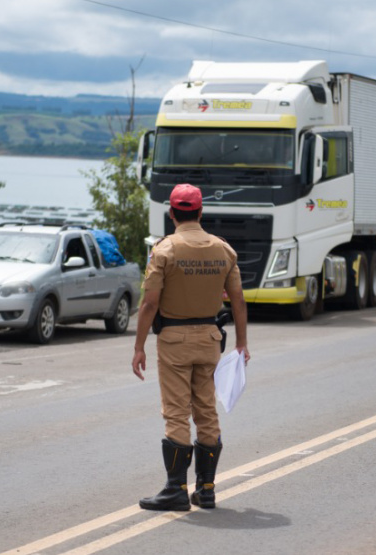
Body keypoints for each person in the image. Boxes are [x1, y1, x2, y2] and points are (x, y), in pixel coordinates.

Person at [132, 183, 250, 512]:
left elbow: (149, 304)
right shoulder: (223, 250)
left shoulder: (164, 251)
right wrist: (242, 343)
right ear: (200, 212)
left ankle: (176, 490)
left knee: (176, 413)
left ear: (172, 214)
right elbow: (238, 301)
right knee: (206, 412)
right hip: (210, 340)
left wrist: (139, 346)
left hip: (174, 341)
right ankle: (206, 490)